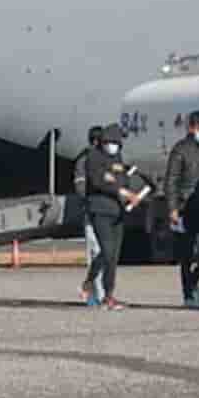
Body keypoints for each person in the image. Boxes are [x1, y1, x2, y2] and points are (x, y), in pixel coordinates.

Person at [167, 110, 199, 309]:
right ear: (192, 128)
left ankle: (193, 280)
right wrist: (172, 208)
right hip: (184, 207)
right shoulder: (180, 150)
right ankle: (188, 293)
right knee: (186, 253)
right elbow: (171, 180)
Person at [83, 125, 136, 311]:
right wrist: (121, 190)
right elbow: (99, 181)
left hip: (118, 211)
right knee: (107, 251)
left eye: (116, 143)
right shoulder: (93, 157)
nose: (112, 146)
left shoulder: (118, 158)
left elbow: (121, 179)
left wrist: (130, 194)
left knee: (112, 256)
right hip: (100, 211)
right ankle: (98, 288)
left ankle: (106, 293)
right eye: (109, 142)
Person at [73, 126, 105, 306]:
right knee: (95, 252)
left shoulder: (106, 160)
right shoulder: (84, 160)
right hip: (92, 212)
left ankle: (100, 292)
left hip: (105, 212)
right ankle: (95, 294)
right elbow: (80, 187)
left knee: (104, 253)